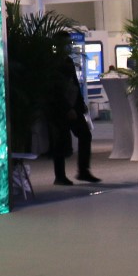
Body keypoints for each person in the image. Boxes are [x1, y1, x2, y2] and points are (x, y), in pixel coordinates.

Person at [46, 31, 99, 186]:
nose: (69, 46)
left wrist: (80, 104)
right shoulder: (52, 63)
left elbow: (74, 84)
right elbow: (54, 90)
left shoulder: (68, 61)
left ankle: (83, 170)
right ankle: (60, 176)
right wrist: (67, 108)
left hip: (74, 106)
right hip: (59, 109)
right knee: (60, 141)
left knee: (85, 135)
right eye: (66, 43)